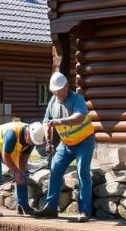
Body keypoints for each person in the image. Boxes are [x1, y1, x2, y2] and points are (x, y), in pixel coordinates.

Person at [40, 72, 95, 222]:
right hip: (66, 143)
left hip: (84, 142)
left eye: (59, 91)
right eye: (54, 91)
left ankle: (84, 211)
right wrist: (49, 140)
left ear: (66, 87)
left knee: (82, 172)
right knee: (55, 169)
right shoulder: (53, 101)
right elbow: (46, 121)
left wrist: (59, 122)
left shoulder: (76, 98)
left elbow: (80, 117)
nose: (57, 94)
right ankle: (51, 207)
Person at [0, 121, 47, 217]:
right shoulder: (12, 134)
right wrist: (16, 171)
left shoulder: (32, 139)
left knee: (23, 173)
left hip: (6, 148)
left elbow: (23, 159)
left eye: (34, 142)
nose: (32, 143)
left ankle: (23, 206)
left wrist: (20, 172)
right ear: (28, 132)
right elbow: (6, 156)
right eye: (32, 141)